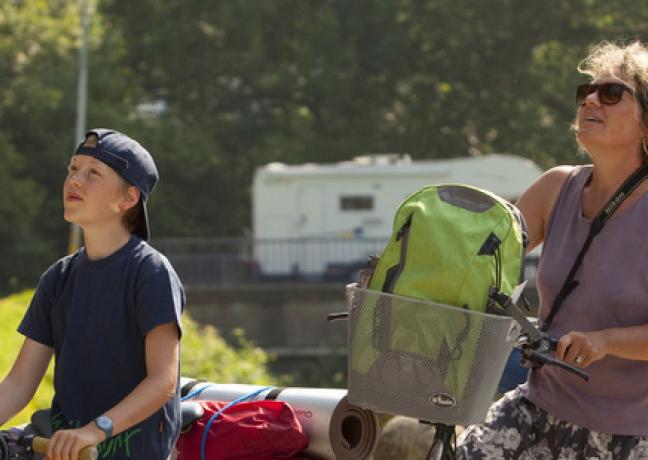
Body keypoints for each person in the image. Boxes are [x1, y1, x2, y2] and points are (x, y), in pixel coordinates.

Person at [456, 40, 648, 458]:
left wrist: (606, 342)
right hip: (540, 408)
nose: (591, 100)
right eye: (586, 93)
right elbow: (484, 262)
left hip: (631, 432)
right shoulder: (555, 187)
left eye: (611, 93)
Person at [0, 129, 185, 460]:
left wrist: (94, 430)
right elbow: (18, 385)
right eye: (73, 169)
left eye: (93, 173)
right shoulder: (57, 279)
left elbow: (163, 381)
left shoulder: (151, 273)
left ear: (128, 199)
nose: (75, 180)